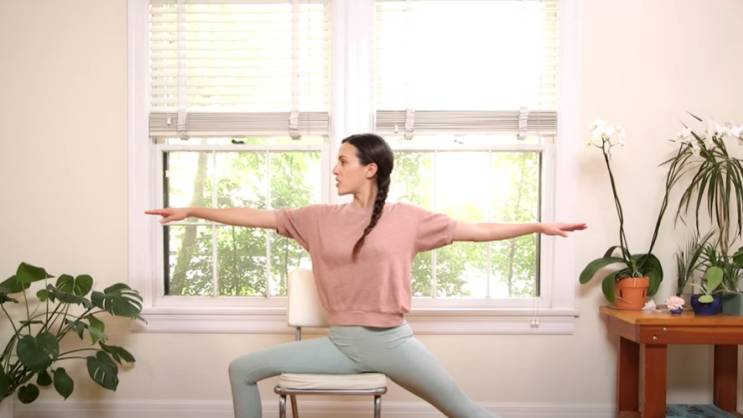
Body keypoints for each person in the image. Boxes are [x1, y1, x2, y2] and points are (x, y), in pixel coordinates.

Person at [146, 133, 586, 418]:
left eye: (343, 161)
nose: (334, 169)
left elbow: (478, 229)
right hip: (341, 344)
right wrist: (193, 210)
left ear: (369, 168)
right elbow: (256, 217)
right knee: (242, 369)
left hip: (392, 343)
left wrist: (537, 226)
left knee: (465, 412)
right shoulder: (317, 218)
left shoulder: (408, 219)